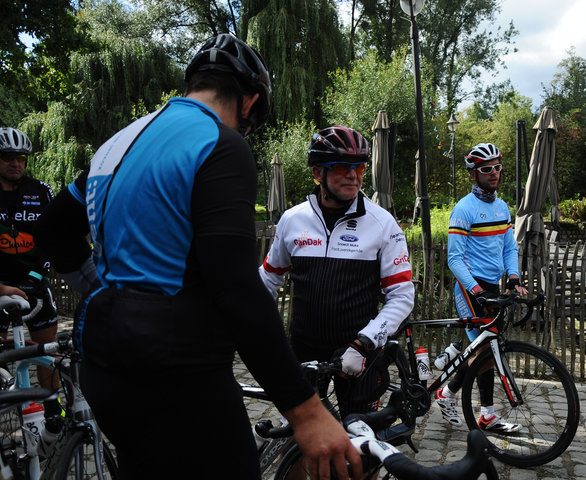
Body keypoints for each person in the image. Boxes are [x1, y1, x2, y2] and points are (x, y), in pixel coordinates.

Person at [34, 34, 361, 480]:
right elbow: (236, 289)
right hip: (175, 373)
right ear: (249, 103)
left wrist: (104, 291)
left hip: (104, 366)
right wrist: (305, 412)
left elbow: (52, 231)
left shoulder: (118, 142)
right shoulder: (220, 143)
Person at [258, 125, 415, 418]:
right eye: (343, 167)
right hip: (303, 351)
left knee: (362, 447)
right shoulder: (292, 220)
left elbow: (402, 295)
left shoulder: (382, 223)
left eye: (360, 167)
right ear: (318, 173)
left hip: (359, 352)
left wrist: (365, 342)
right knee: (300, 438)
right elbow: (268, 278)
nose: (354, 176)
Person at [435, 142, 528, 434]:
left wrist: (513, 277)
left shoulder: (501, 207)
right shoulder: (464, 209)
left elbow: (509, 248)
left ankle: (447, 390)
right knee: (487, 349)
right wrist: (476, 290)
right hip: (470, 286)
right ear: (474, 174)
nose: (494, 173)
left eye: (498, 167)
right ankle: (485, 413)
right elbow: (454, 259)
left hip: (492, 285)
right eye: (487, 169)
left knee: (483, 349)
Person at [0, 127, 58, 391]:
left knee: (48, 356)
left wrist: (36, 276)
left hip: (34, 282)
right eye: (8, 156)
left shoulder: (41, 190)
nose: (15, 163)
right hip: (1, 285)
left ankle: (54, 412)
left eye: (21, 158)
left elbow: (54, 237)